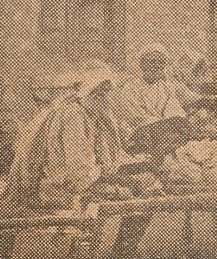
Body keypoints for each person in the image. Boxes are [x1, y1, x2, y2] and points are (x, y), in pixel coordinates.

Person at [1, 67, 131, 215]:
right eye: (100, 93)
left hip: (72, 184)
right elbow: (78, 173)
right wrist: (110, 179)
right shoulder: (74, 115)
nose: (104, 98)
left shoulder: (92, 116)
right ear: (87, 92)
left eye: (106, 93)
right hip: (54, 191)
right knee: (123, 200)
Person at [113, 45, 197, 140]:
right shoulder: (131, 88)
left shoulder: (167, 88)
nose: (157, 66)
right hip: (139, 136)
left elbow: (173, 109)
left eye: (161, 63)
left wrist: (177, 122)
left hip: (164, 134)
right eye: (152, 61)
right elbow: (136, 117)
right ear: (143, 64)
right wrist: (164, 125)